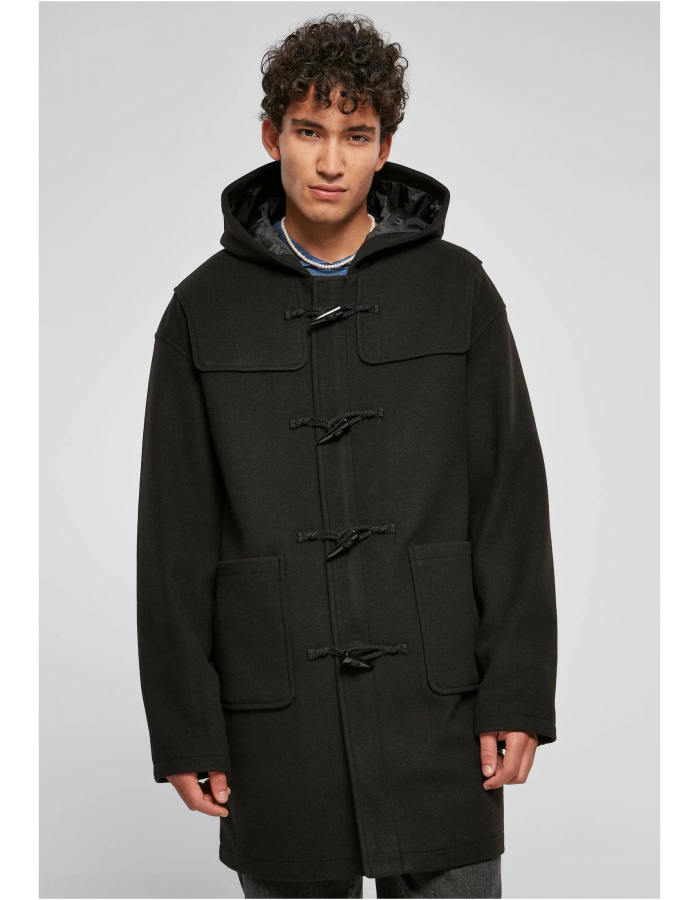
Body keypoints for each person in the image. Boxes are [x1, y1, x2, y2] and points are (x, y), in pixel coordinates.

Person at [136, 12, 558, 900]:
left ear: (385, 147)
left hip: (438, 708)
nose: (330, 161)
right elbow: (172, 536)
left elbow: (511, 501)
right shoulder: (201, 311)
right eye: (309, 131)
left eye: (355, 135)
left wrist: (517, 692)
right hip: (275, 712)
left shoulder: (459, 291)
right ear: (271, 137)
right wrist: (184, 726)